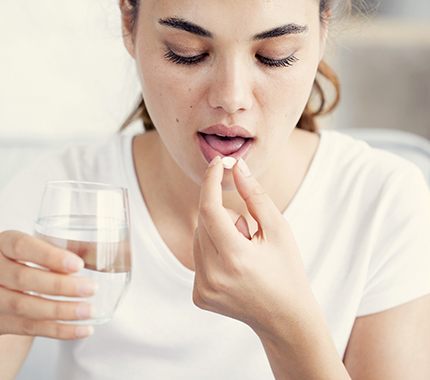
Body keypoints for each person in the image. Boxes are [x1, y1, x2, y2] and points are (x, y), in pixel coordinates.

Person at [0, 0, 429, 379]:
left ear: (322, 32)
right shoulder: (61, 197)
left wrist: (288, 328)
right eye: (187, 53)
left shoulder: (384, 202)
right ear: (129, 22)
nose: (231, 98)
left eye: (274, 56)